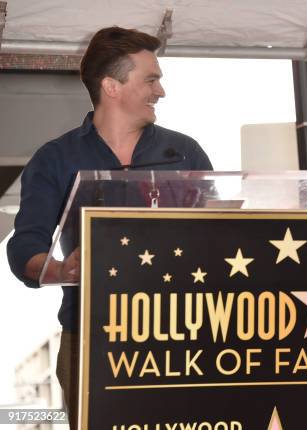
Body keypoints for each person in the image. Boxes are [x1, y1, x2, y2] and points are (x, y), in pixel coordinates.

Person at [7, 26, 213, 428]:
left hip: (182, 334)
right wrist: (61, 270)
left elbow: (220, 231)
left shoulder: (184, 151)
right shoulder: (54, 158)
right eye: (151, 79)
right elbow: (24, 245)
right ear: (112, 86)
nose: (161, 91)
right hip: (91, 335)